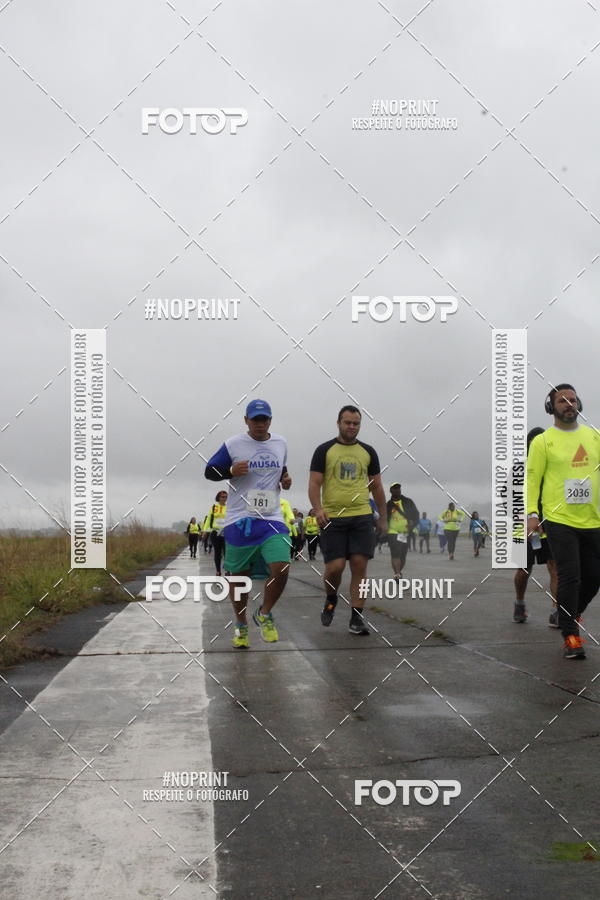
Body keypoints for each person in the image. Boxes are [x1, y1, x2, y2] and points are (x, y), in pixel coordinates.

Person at [205, 399, 292, 649]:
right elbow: (209, 471)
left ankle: (264, 613)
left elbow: (281, 469)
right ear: (246, 420)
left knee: (281, 566)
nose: (260, 424)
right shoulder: (233, 444)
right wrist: (230, 471)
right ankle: (241, 624)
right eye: (255, 419)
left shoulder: (281, 443)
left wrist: (285, 479)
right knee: (239, 579)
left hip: (271, 517)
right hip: (239, 519)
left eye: (264, 419)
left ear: (270, 421)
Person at [527, 384, 600, 659]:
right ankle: (571, 636)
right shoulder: (543, 441)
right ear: (551, 407)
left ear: (579, 403)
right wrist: (533, 514)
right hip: (559, 519)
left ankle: (570, 613)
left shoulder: (594, 437)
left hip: (593, 519)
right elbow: (532, 480)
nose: (568, 403)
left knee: (594, 576)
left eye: (572, 399)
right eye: (561, 400)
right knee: (570, 575)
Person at [309, 405, 387, 635]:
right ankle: (331, 598)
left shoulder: (368, 452)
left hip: (361, 516)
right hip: (333, 517)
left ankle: (356, 617)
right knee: (335, 567)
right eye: (347, 422)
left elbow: (377, 487)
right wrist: (318, 508)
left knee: (359, 565)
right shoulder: (324, 450)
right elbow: (314, 484)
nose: (352, 427)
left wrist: (382, 517)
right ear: (338, 423)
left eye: (356, 423)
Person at [514, 428, 557, 624]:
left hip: (550, 524)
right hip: (524, 527)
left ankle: (557, 611)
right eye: (533, 442)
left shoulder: (553, 465)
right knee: (524, 569)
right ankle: (519, 604)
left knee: (555, 568)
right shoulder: (519, 468)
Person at [386, 483, 419, 579]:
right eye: (395, 488)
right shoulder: (389, 504)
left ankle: (399, 571)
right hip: (393, 531)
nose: (397, 490)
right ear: (391, 491)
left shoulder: (408, 501)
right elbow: (384, 517)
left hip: (405, 532)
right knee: (395, 553)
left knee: (403, 554)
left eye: (398, 488)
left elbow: (416, 514)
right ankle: (397, 573)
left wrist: (413, 523)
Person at [204, 491, 228, 575]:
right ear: (218, 497)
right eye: (222, 497)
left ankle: (228, 570)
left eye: (225, 497)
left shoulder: (229, 507)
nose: (224, 498)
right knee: (217, 552)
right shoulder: (214, 507)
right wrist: (205, 530)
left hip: (226, 532)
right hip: (215, 532)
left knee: (226, 552)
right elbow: (208, 519)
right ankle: (218, 570)